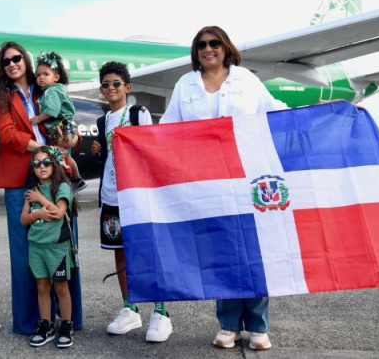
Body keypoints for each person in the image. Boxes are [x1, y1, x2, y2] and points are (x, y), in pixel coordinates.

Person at [160, 25, 287, 351]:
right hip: (207, 180)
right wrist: (131, 138)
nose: (208, 48)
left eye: (214, 43)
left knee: (252, 252)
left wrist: (334, 112)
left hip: (246, 176)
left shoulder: (245, 79)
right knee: (222, 252)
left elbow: (276, 112)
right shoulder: (185, 84)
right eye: (201, 44)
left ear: (225, 47)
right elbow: (167, 127)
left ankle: (258, 326)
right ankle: (229, 324)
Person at [0, 41, 83, 334]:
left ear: (25, 60)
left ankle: (69, 317)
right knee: (24, 249)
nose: (12, 63)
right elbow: (8, 134)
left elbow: (67, 120)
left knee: (63, 240)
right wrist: (42, 149)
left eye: (17, 58)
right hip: (19, 174)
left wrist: (70, 139)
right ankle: (31, 320)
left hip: (55, 171)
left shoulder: (45, 87)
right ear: (3, 66)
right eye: (6, 60)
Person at [90, 61, 173, 343]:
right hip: (111, 195)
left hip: (137, 194)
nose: (111, 88)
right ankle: (130, 308)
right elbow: (109, 159)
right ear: (101, 90)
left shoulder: (138, 113)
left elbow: (151, 148)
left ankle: (161, 311)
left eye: (116, 84)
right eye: (105, 84)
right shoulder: (102, 122)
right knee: (120, 251)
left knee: (148, 251)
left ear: (127, 87)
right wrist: (100, 147)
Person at [20, 146, 77, 349]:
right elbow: (23, 219)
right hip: (36, 248)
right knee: (42, 286)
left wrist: (41, 200)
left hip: (57, 248)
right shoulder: (31, 192)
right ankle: (46, 325)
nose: (41, 167)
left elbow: (59, 212)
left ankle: (66, 325)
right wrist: (37, 214)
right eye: (36, 164)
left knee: (61, 287)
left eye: (46, 162)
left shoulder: (62, 188)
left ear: (53, 164)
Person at [28, 51, 86, 193]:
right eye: (38, 75)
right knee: (66, 154)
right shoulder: (54, 89)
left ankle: (70, 178)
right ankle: (76, 178)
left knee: (60, 154)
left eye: (45, 74)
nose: (41, 77)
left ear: (56, 77)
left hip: (60, 126)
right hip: (65, 125)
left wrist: (38, 118)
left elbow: (52, 110)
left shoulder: (51, 91)